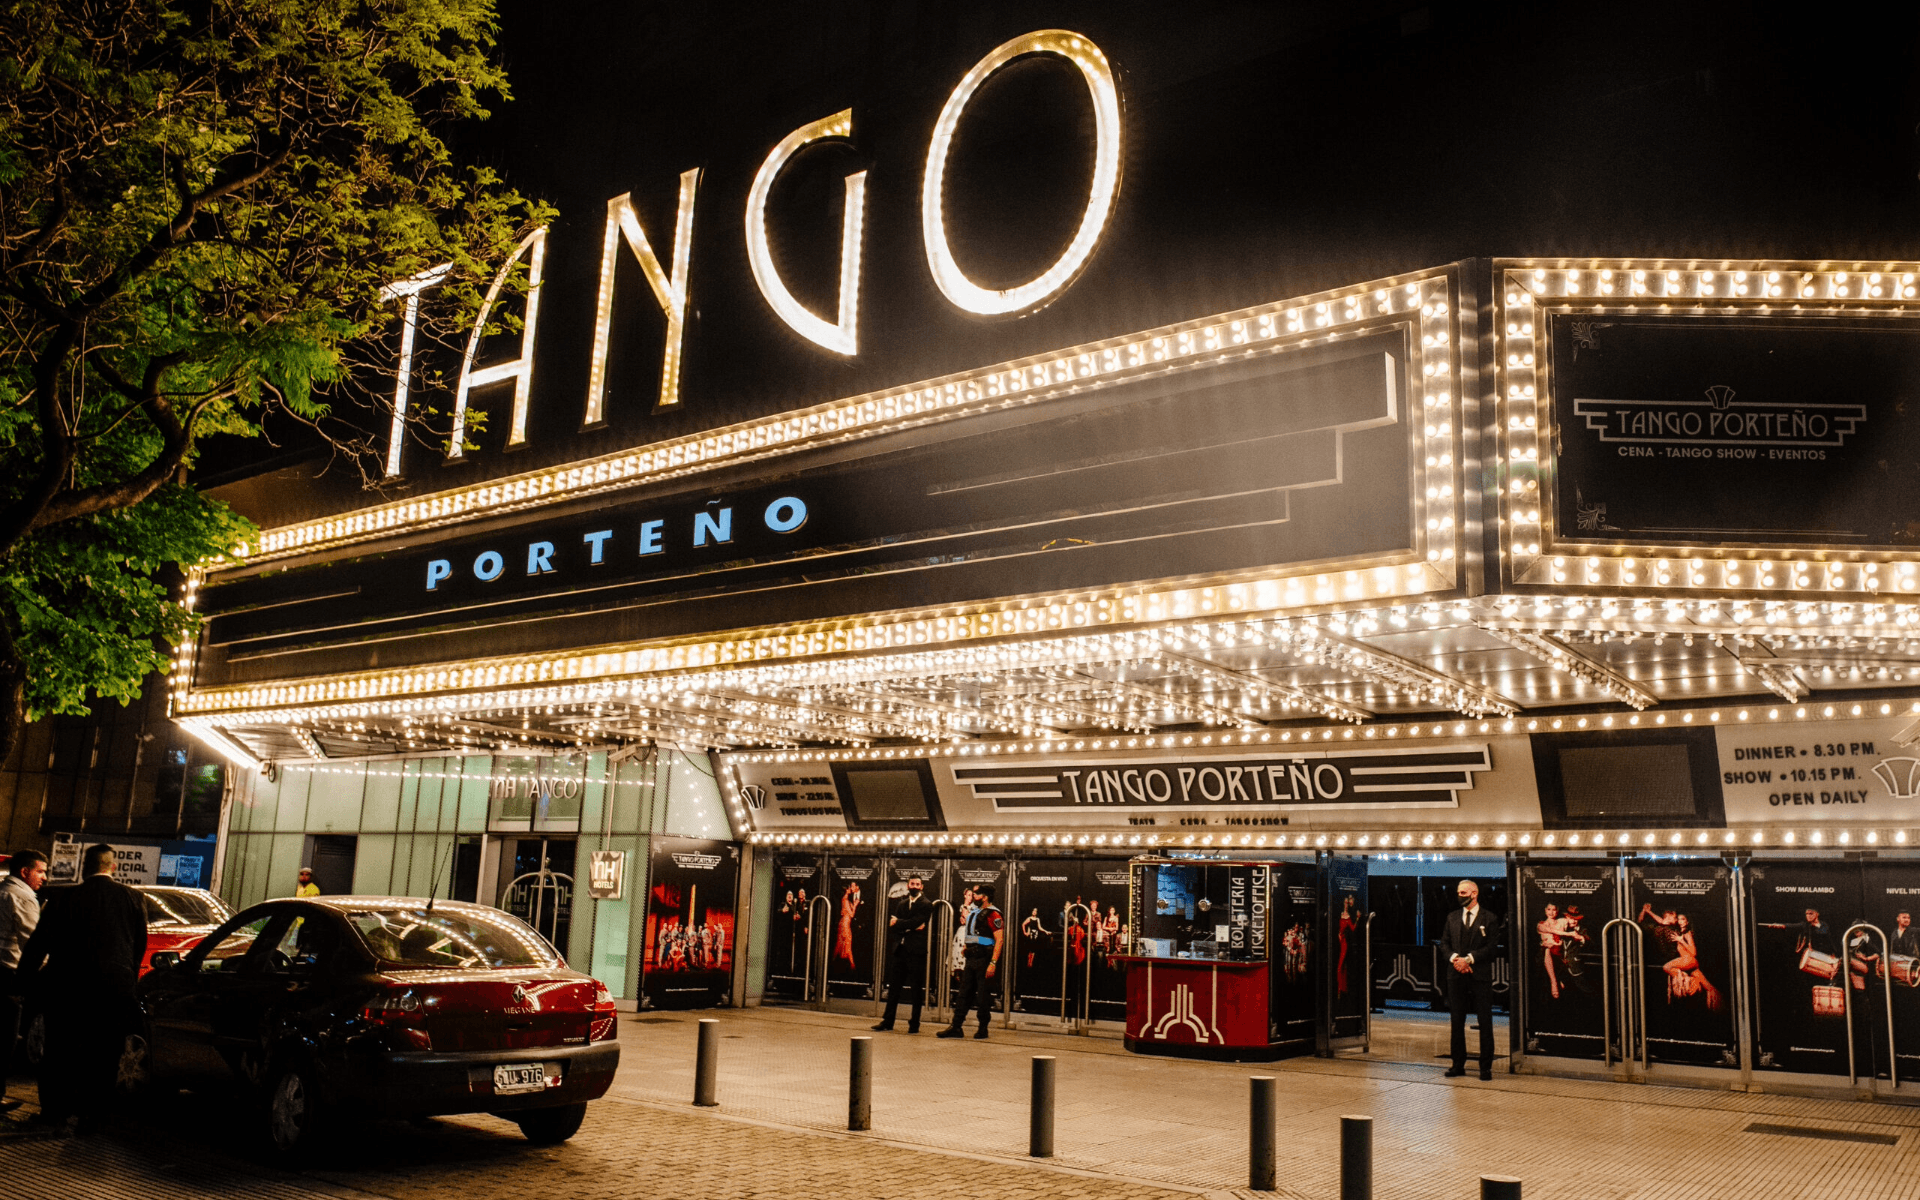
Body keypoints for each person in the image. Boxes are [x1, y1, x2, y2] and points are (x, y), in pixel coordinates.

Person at [17, 844, 146, 1133]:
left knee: (60, 1052)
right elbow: (138, 947)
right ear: (112, 867)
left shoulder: (66, 898)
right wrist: (128, 982)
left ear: (84, 867)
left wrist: (23, 983)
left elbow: (39, 944)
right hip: (114, 991)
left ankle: (55, 1114)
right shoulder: (134, 899)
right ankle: (94, 1117)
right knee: (104, 1053)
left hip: (67, 988)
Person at [0, 850, 47, 1111]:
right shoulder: (23, 897)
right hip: (7, 975)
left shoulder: (2, 890)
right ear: (24, 872)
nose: (45, 877)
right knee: (5, 1038)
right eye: (40, 871)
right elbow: (33, 943)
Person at [1441, 879, 1502, 1080]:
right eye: (1459, 892)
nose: (1460, 896)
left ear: (1474, 894)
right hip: (1455, 975)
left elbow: (1491, 948)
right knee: (1456, 1020)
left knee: (1485, 1020)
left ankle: (1485, 1067)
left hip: (1480, 976)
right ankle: (1457, 1064)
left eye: (1464, 892)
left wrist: (1469, 959)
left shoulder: (1490, 918)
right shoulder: (1452, 917)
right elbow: (1445, 943)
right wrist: (1455, 959)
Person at [938, 882, 1003, 1040]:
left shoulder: (993, 914)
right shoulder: (974, 912)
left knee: (983, 996)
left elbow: (999, 939)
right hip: (971, 959)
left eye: (977, 893)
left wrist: (993, 963)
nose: (974, 895)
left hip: (984, 960)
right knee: (963, 994)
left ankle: (983, 1029)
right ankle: (956, 1027)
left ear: (985, 897)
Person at [873, 874, 935, 1033]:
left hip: (916, 952)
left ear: (922, 887)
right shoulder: (901, 904)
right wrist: (908, 926)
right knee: (894, 988)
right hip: (900, 950)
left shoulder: (927, 904)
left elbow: (917, 922)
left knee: (916, 990)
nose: (914, 886)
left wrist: (900, 923)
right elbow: (894, 927)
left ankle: (914, 1025)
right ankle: (887, 1022)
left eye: (917, 884)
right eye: (912, 884)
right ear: (908, 886)